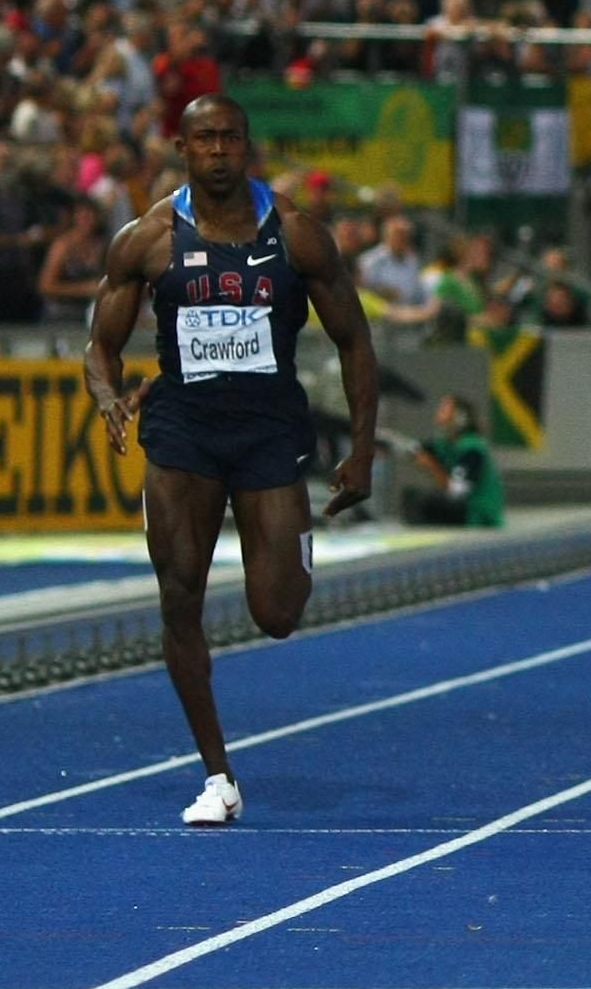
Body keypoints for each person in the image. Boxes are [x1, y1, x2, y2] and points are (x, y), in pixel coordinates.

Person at [82, 94, 382, 827]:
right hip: (182, 433)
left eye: (230, 138)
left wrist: (364, 449)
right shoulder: (147, 239)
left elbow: (355, 340)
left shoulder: (299, 234)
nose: (218, 150)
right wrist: (107, 396)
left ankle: (296, 551)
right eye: (204, 138)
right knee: (178, 595)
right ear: (182, 147)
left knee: (276, 612)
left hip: (269, 431)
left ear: (247, 145)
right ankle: (218, 775)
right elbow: (100, 342)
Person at [398, 392, 506, 528]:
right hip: (464, 507)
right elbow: (413, 448)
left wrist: (432, 466)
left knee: (424, 502)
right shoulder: (445, 444)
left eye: (444, 409)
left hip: (477, 512)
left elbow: (457, 492)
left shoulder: (472, 448)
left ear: (459, 417)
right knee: (411, 497)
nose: (439, 412)